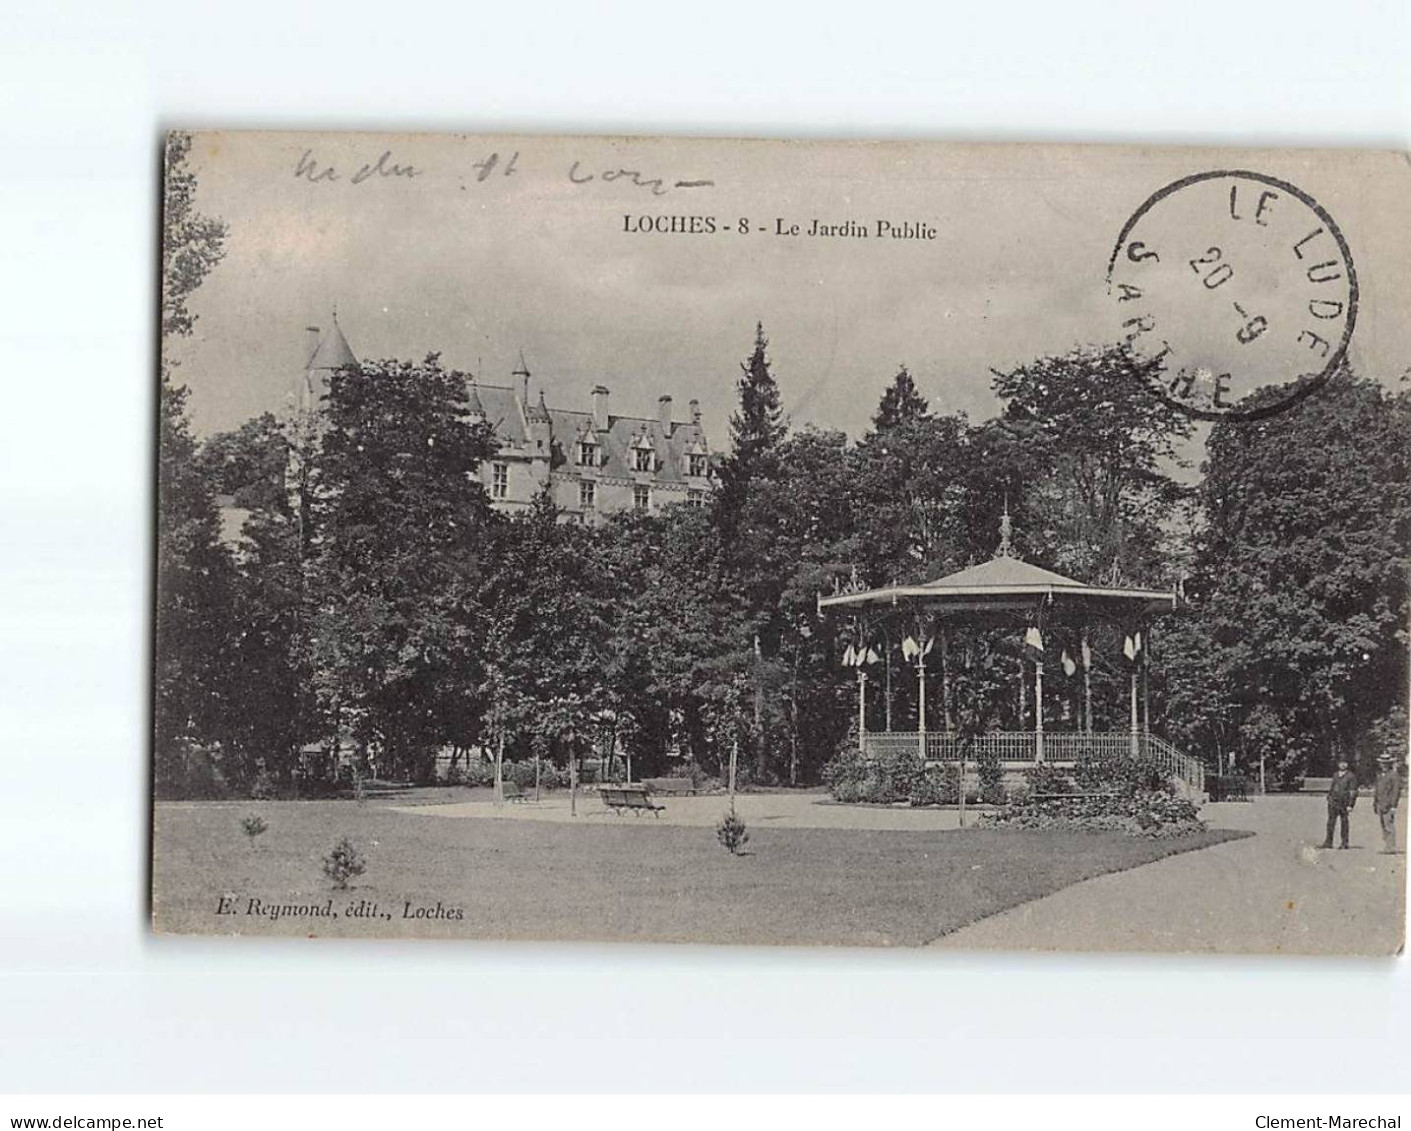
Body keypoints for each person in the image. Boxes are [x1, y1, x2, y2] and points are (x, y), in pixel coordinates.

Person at [1320, 758, 1358, 849]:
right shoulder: (1335, 775)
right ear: (1338, 764)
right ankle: (1328, 842)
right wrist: (1329, 797)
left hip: (1344, 802)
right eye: (1341, 763)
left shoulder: (1351, 776)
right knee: (1330, 822)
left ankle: (1344, 843)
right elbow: (1332, 787)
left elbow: (1353, 791)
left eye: (1345, 763)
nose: (1343, 765)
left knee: (1344, 822)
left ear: (1347, 764)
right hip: (1333, 802)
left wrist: (1350, 804)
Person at [1373, 750, 1403, 855]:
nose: (1384, 765)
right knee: (1383, 826)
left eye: (1386, 763)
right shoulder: (1380, 775)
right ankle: (1387, 846)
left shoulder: (1393, 775)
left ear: (1390, 764)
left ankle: (1391, 847)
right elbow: (1377, 790)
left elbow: (1396, 791)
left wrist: (1394, 805)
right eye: (1382, 763)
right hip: (1380, 804)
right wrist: (1375, 803)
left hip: (1388, 805)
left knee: (1389, 825)